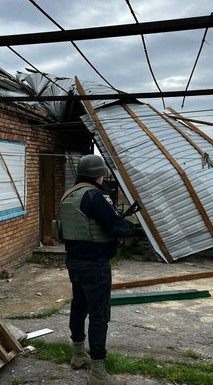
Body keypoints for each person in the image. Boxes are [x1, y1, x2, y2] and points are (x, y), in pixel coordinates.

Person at [60, 154, 135, 385]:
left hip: (74, 262)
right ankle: (97, 372)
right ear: (98, 175)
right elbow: (113, 226)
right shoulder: (95, 195)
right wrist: (131, 228)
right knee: (99, 315)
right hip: (96, 266)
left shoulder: (69, 195)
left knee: (78, 306)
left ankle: (78, 354)